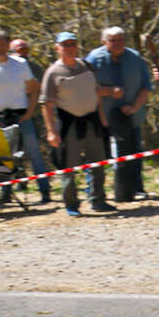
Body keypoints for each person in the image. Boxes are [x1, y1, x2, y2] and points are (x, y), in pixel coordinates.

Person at [0, 31, 49, 203]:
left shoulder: (21, 64)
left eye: (3, 44)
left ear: (8, 45)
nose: (0, 48)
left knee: (34, 153)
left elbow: (34, 88)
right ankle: (5, 193)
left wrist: (30, 111)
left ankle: (45, 190)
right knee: (3, 156)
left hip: (22, 115)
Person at [86, 26, 154, 202]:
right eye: (112, 40)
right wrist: (108, 91)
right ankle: (94, 192)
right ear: (104, 42)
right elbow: (85, 88)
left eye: (120, 40)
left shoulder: (135, 58)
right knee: (97, 155)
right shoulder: (93, 59)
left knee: (134, 153)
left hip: (131, 115)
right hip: (102, 117)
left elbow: (146, 86)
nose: (117, 44)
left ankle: (134, 189)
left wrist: (134, 107)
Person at [40, 32, 105, 215]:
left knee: (98, 162)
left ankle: (98, 200)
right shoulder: (53, 73)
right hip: (69, 124)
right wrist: (51, 131)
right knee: (68, 166)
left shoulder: (87, 66)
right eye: (65, 45)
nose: (69, 48)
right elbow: (46, 104)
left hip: (92, 121)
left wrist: (103, 118)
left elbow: (97, 93)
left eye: (72, 44)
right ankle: (71, 204)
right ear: (57, 48)